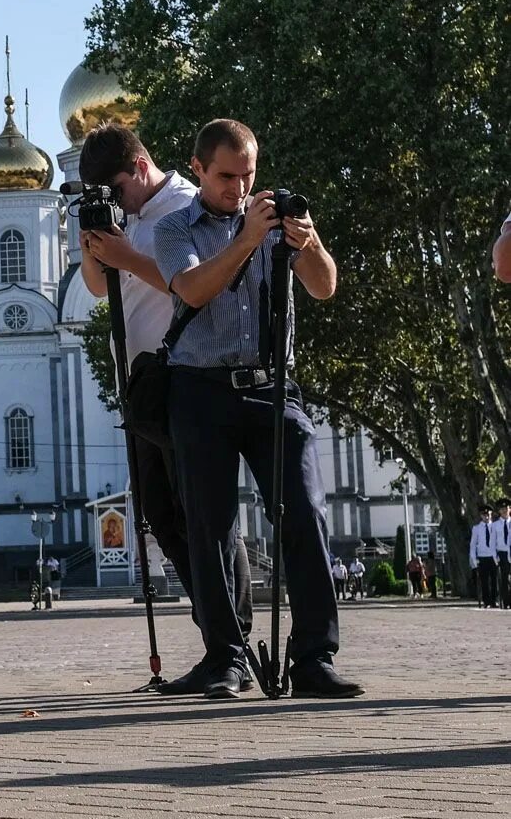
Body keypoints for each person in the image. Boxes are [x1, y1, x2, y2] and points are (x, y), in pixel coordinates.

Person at [154, 118, 361, 699]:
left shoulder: (276, 225)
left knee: (305, 510)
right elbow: (192, 290)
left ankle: (314, 659)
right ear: (196, 168)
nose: (239, 189)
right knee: (211, 524)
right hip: (200, 388)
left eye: (248, 176)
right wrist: (245, 239)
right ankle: (226, 657)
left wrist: (309, 242)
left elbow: (324, 287)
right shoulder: (176, 228)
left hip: (273, 387)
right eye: (225, 176)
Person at [76, 124, 254, 695]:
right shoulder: (126, 218)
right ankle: (216, 629)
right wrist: (97, 252)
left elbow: (188, 286)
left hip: (183, 375)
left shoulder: (183, 207)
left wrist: (127, 255)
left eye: (119, 187)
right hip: (141, 384)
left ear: (143, 164)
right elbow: (101, 291)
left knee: (203, 513)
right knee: (161, 510)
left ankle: (233, 641)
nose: (117, 200)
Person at [469, 504, 498, 608]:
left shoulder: (495, 526)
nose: (487, 517)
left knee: (494, 580)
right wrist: (474, 558)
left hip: (493, 556)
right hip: (482, 556)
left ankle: (494, 600)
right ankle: (487, 601)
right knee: (484, 580)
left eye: (488, 515)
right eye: (484, 515)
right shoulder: (476, 528)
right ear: (481, 515)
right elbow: (473, 544)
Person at [494, 498, 511, 609]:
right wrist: (495, 556)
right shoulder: (495, 525)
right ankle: (506, 601)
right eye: (502, 509)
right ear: (499, 511)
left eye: (507, 508)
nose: (505, 510)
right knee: (505, 579)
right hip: (502, 553)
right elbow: (492, 542)